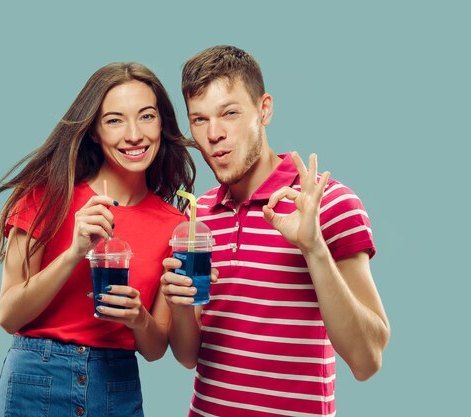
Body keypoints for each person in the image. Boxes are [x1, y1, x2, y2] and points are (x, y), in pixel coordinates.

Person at [161, 45, 390, 417]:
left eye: (229, 113)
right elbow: (190, 357)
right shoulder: (196, 215)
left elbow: (368, 360)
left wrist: (314, 248)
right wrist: (180, 306)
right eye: (199, 120)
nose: (214, 134)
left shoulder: (327, 203)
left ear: (264, 110)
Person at [0, 62, 196, 417]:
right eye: (114, 120)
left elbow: (155, 348)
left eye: (146, 116)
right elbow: (8, 315)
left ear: (162, 123)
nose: (134, 134)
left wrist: (138, 318)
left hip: (115, 384)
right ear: (95, 132)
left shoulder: (174, 225)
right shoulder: (47, 196)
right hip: (36, 378)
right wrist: (74, 252)